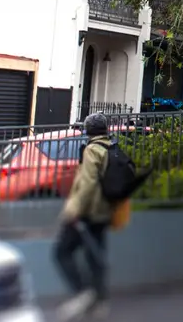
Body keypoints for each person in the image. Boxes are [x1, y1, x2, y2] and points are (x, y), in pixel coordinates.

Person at [53, 112, 115, 319]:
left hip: (86, 212)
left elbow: (87, 184)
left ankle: (83, 293)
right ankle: (100, 302)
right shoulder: (111, 148)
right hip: (104, 212)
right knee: (95, 256)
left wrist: (73, 211)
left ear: (89, 131)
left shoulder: (92, 151)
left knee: (61, 251)